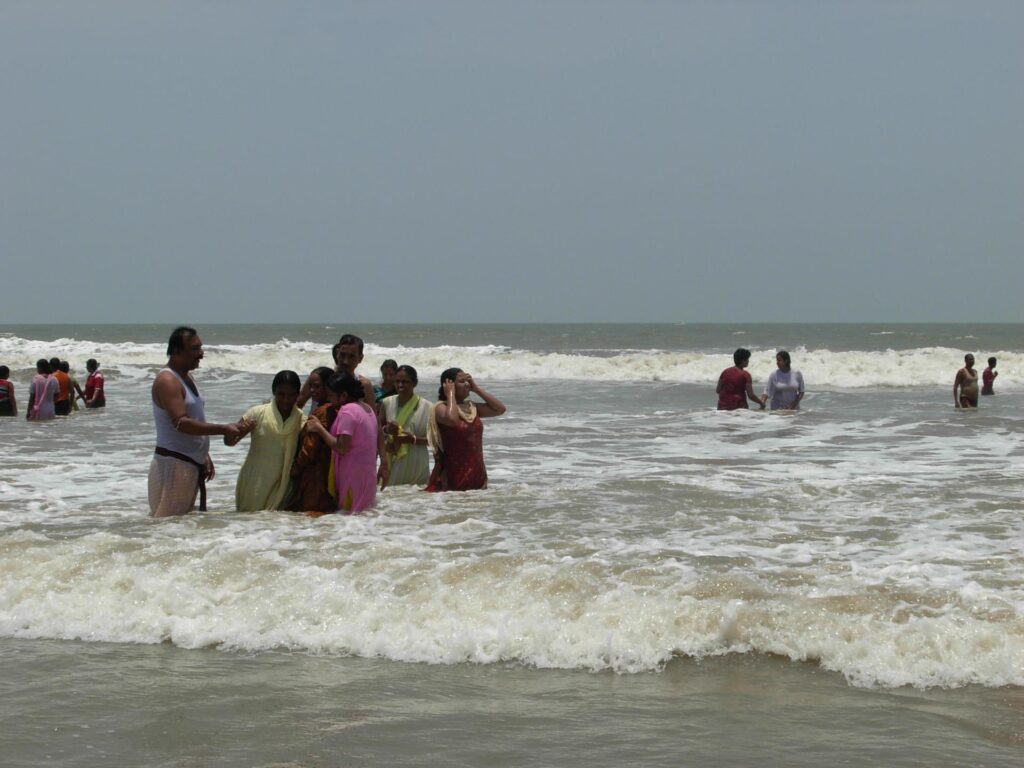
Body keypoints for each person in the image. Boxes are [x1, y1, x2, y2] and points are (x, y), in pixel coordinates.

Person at [149, 326, 242, 518]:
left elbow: (194, 419)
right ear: (176, 351)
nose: (201, 353)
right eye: (194, 348)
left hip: (187, 462)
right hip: (175, 463)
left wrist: (203, 453)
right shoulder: (168, 380)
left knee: (177, 527)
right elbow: (181, 423)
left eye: (200, 347)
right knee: (168, 527)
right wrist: (223, 429)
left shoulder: (186, 377)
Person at [304, 372, 387, 513]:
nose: (328, 399)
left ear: (343, 396)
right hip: (367, 474)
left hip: (352, 475)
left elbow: (341, 447)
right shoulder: (367, 408)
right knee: (363, 515)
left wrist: (319, 429)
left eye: (330, 395)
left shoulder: (348, 411)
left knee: (349, 516)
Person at [225, 370, 304, 512]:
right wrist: (242, 429)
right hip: (255, 483)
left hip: (283, 486)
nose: (286, 400)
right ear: (274, 392)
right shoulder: (257, 413)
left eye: (291, 395)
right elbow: (229, 441)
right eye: (281, 394)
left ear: (298, 394)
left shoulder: (302, 420)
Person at [425, 368, 506, 492]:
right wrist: (450, 394)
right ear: (449, 385)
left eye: (468, 380)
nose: (467, 384)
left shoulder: (471, 407)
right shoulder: (440, 408)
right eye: (462, 381)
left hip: (476, 473)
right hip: (452, 475)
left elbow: (500, 409)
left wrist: (476, 389)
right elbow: (452, 420)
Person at [287, 369, 341, 515]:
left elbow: (310, 446)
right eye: (310, 386)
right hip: (328, 468)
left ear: (328, 386)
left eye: (317, 386)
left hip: (315, 472)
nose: (312, 390)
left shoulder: (322, 411)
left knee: (312, 512)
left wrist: (296, 468)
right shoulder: (334, 408)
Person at [379, 365, 432, 486]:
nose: (400, 385)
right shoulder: (387, 403)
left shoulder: (428, 407)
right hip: (392, 462)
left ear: (415, 383)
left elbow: (435, 440)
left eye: (405, 381)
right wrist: (387, 430)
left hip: (417, 465)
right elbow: (377, 434)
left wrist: (412, 439)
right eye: (397, 381)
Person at [297, 334, 375, 409]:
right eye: (342, 355)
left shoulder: (363, 385)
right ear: (337, 353)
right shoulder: (320, 378)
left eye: (351, 356)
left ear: (360, 358)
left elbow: (372, 419)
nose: (345, 361)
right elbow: (298, 404)